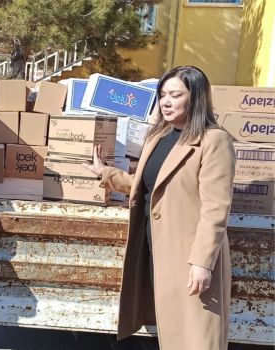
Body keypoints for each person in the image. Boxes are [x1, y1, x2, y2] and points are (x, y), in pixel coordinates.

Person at [83, 66, 235, 349]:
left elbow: (216, 208)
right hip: (156, 251)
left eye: (175, 95)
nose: (166, 101)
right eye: (162, 95)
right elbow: (150, 187)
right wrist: (107, 173)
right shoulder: (159, 137)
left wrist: (202, 262)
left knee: (197, 337)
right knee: (172, 333)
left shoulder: (214, 140)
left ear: (196, 97)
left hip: (190, 257)